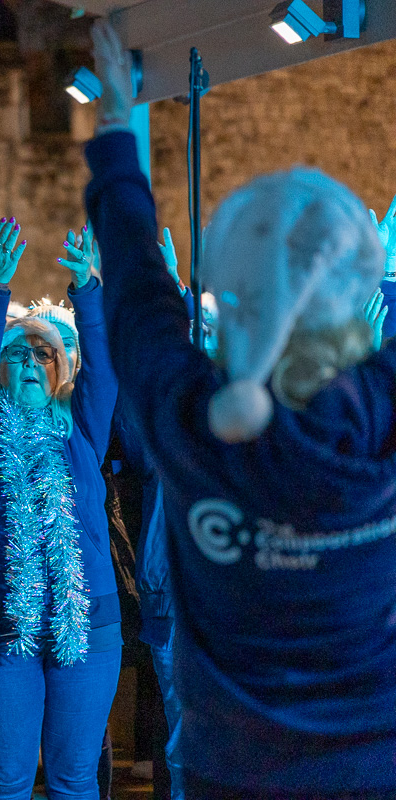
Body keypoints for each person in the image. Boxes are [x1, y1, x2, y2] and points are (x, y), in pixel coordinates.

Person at [88, 19, 396, 799]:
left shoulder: (193, 422)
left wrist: (119, 129)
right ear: (354, 306)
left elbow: (134, 290)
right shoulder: (381, 412)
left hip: (235, 772)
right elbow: (140, 296)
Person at [0, 217, 121, 799]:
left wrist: (89, 290)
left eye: (45, 355)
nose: (30, 363)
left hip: (85, 621)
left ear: (63, 369)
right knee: (6, 778)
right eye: (18, 354)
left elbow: (105, 367)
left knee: (76, 778)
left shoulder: (83, 430)